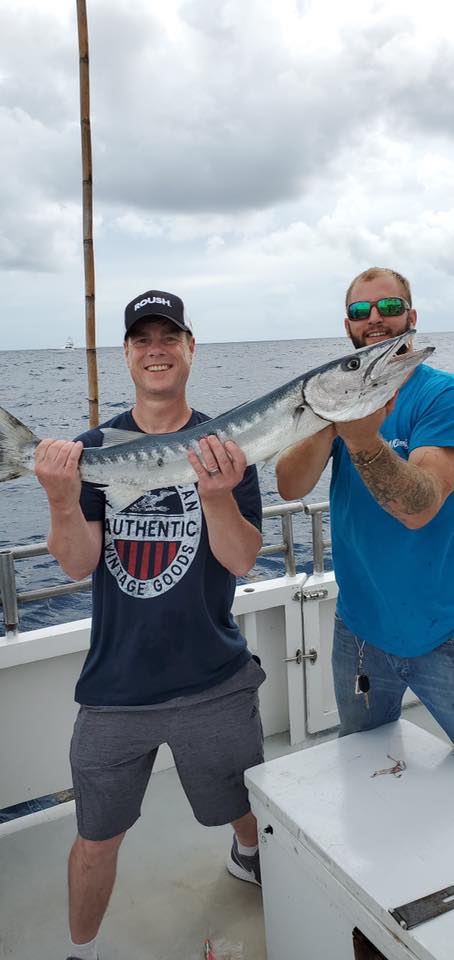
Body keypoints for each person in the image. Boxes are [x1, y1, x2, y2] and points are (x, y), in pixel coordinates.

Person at [35, 290, 265, 960]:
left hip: (214, 675)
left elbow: (242, 559)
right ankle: (82, 952)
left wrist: (216, 496)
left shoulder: (227, 446)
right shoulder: (91, 450)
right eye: (143, 339)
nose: (156, 350)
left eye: (169, 337)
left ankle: (249, 856)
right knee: (95, 837)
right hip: (115, 686)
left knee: (241, 803)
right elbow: (78, 563)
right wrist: (60, 499)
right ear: (127, 354)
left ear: (191, 349)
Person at [276, 266, 454, 741]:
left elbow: (420, 507)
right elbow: (290, 486)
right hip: (357, 629)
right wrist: (332, 418)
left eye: (389, 306)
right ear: (348, 325)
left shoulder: (442, 394)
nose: (375, 317)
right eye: (360, 310)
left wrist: (361, 439)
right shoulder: (339, 394)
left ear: (411, 317)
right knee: (361, 759)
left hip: (443, 630)